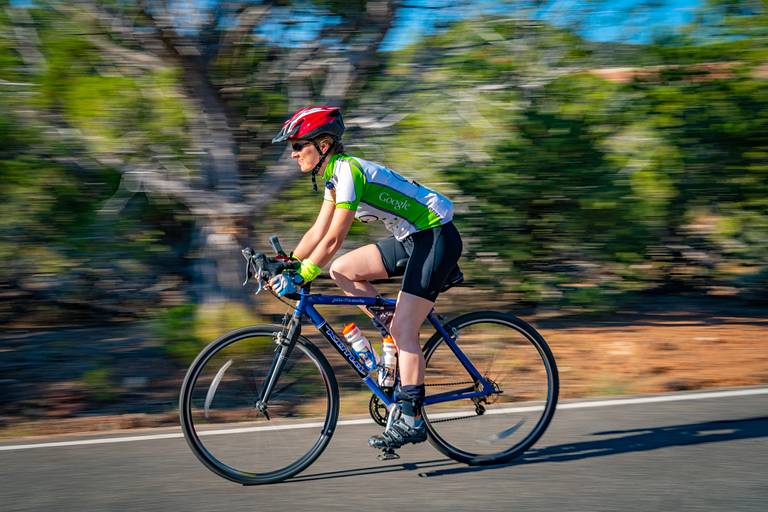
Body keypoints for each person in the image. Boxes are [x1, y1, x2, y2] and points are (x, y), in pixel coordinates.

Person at [269, 105, 463, 451]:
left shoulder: (348, 172)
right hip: (410, 237)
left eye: (299, 145)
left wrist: (304, 274)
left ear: (324, 144)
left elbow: (333, 239)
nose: (293, 153)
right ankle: (393, 328)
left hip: (435, 237)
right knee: (342, 269)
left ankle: (412, 419)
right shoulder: (334, 177)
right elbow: (317, 232)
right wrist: (287, 264)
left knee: (405, 329)